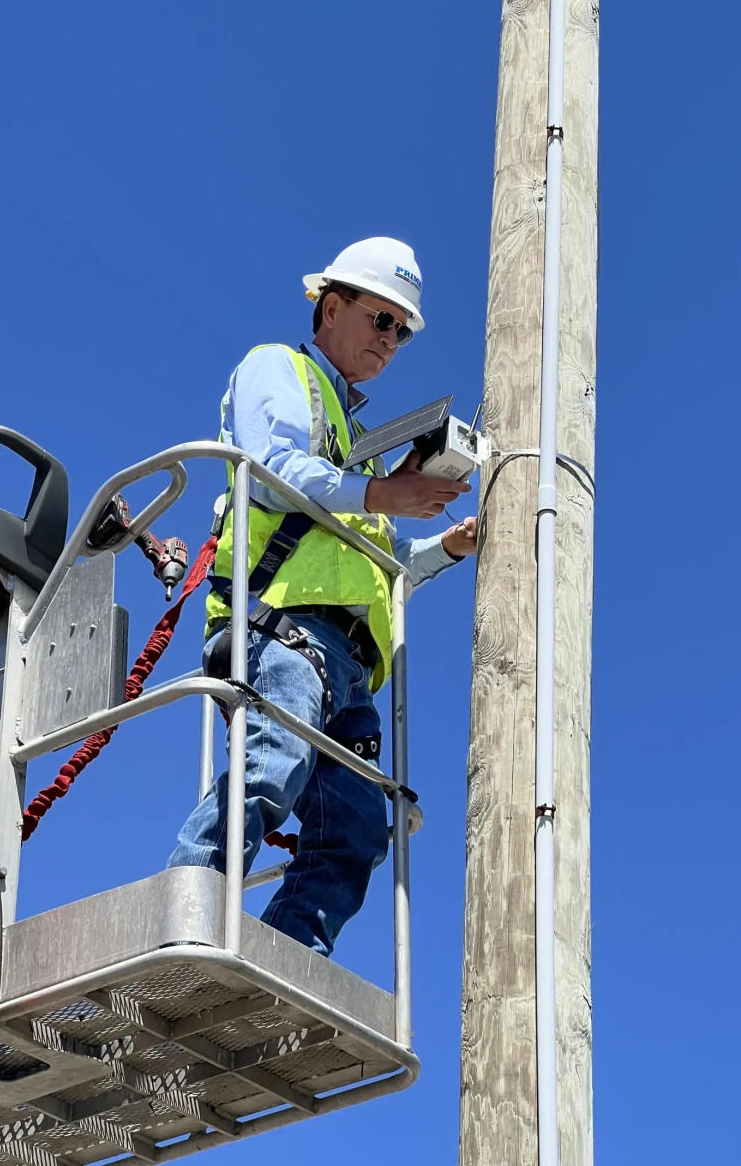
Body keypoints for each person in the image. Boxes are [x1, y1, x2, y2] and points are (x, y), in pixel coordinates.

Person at [168, 237, 477, 957]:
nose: (391, 341)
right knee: (270, 769)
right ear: (332, 307)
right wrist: (380, 491)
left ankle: (284, 963)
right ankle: (182, 930)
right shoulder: (279, 369)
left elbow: (384, 562)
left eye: (401, 331)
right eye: (381, 321)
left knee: (357, 830)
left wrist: (447, 548)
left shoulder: (358, 444)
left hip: (349, 666)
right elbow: (271, 467)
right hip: (279, 628)